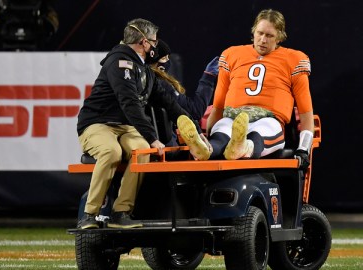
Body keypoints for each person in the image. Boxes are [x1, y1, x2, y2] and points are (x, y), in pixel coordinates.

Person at [76, 18, 205, 229]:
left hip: (125, 126)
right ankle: (89, 215)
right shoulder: (120, 62)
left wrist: (195, 131)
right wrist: (153, 137)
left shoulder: (143, 69)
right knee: (111, 152)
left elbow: (170, 104)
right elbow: (130, 103)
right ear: (144, 43)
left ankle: (121, 212)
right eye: (153, 42)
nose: (156, 46)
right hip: (97, 124)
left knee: (143, 151)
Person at [178, 9, 314, 169]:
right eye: (260, 33)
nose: (263, 39)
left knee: (260, 133)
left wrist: (304, 148)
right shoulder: (232, 54)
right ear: (253, 32)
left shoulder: (294, 59)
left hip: (268, 118)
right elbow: (219, 104)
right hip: (233, 116)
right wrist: (209, 132)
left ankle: (241, 147)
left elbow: (306, 112)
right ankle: (205, 149)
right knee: (221, 134)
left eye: (269, 36)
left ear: (279, 37)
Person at [150, 39, 218, 147]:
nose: (168, 62)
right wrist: (208, 78)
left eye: (168, 57)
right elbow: (195, 110)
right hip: (166, 146)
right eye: (164, 58)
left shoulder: (145, 80)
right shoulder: (161, 84)